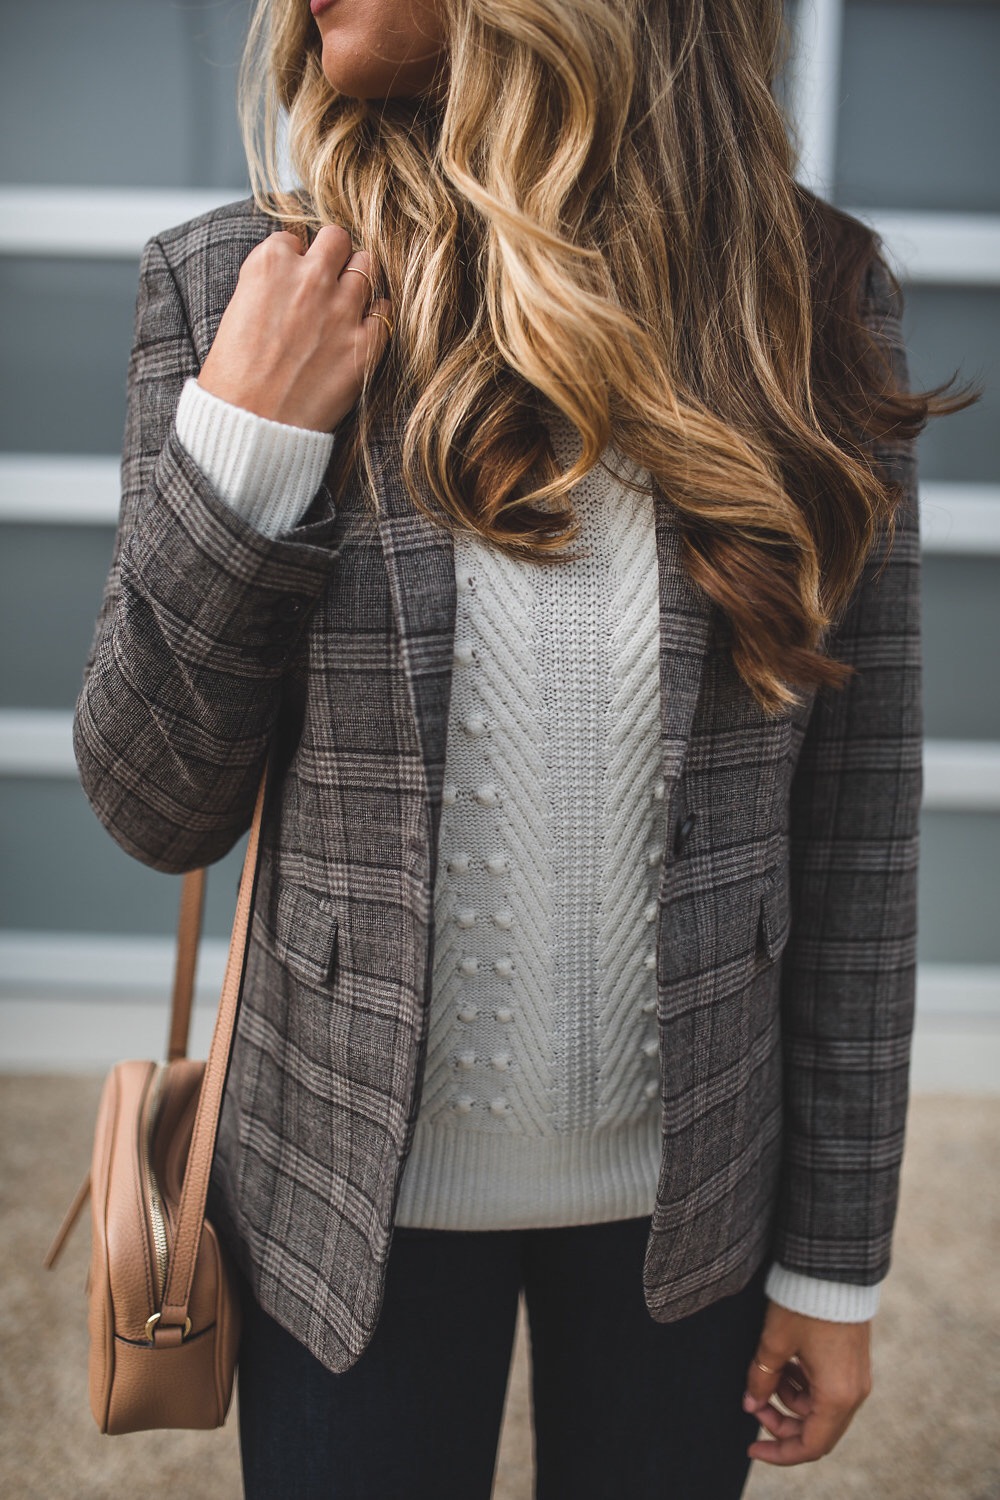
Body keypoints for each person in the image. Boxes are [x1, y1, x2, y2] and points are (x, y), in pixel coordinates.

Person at [73, 0, 977, 1495]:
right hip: (341, 1202)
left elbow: (857, 827)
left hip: (691, 1216)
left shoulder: (809, 295)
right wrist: (242, 445)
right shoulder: (250, 288)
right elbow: (153, 802)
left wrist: (834, 1267)